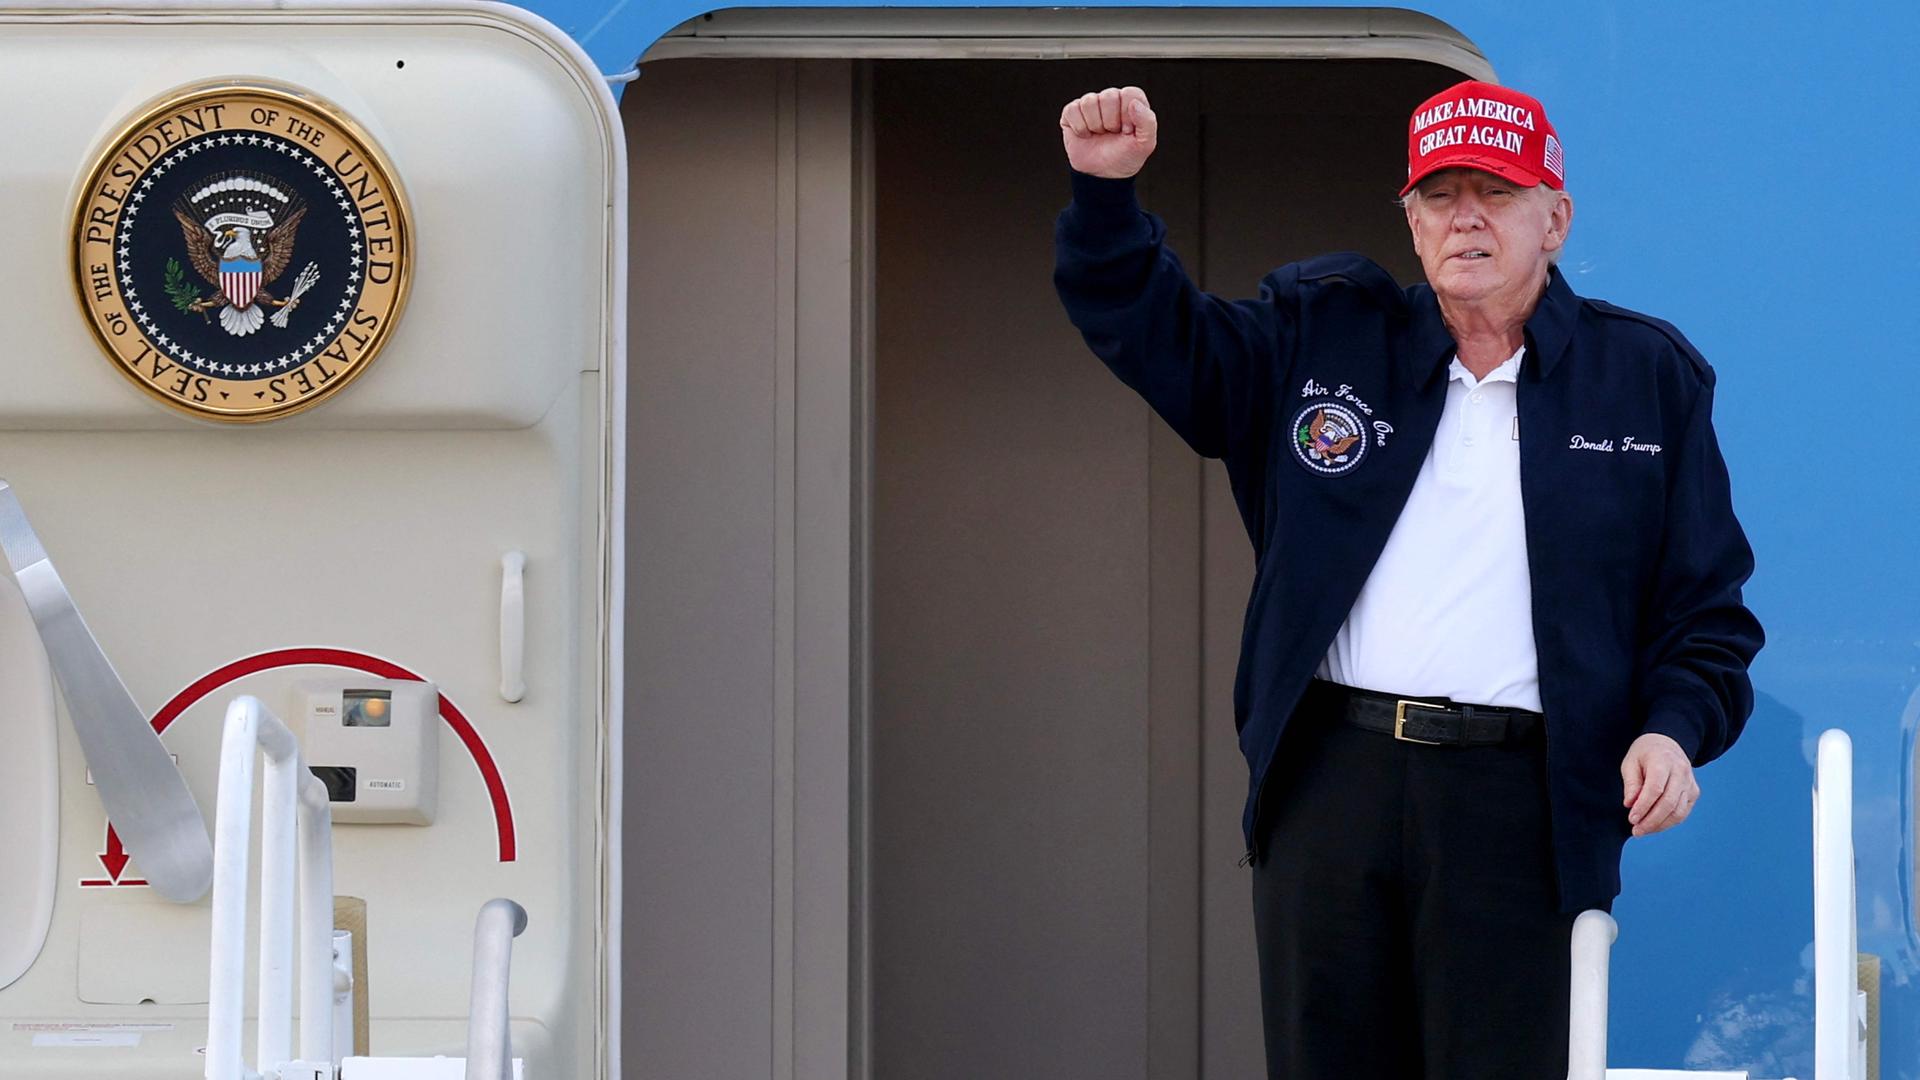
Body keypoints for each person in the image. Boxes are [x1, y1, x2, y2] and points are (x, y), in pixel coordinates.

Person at [1053, 80, 1764, 1078]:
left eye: (1496, 191)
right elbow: (1157, 334)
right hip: (1332, 786)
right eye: (1439, 194)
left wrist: (1670, 729)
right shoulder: (1320, 335)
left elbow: (1708, 616)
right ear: (1411, 220)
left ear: (1554, 218)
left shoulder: (1645, 378)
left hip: (1523, 803)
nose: (1464, 216)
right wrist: (1106, 196)